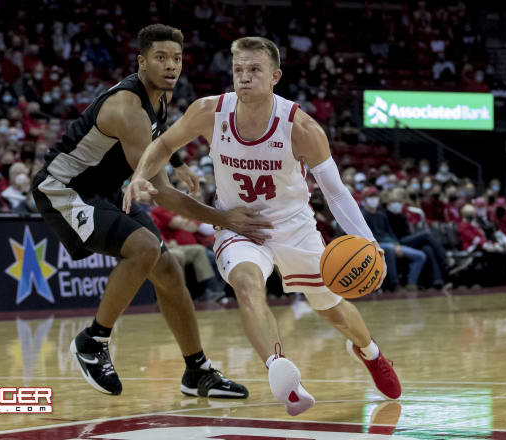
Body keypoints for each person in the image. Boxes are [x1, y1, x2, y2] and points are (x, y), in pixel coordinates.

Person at [125, 36, 401, 415]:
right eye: (238, 70)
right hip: (238, 223)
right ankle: (280, 371)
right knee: (246, 281)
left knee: (331, 308)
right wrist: (140, 175)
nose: (244, 78)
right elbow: (162, 145)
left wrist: (372, 243)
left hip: (293, 226)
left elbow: (336, 194)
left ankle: (370, 352)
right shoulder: (209, 111)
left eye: (254, 70)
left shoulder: (302, 127)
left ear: (275, 76)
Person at [32, 24, 267, 399]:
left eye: (176, 58)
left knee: (170, 271)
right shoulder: (126, 107)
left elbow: (155, 137)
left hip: (105, 190)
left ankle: (198, 371)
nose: (171, 65)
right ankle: (93, 340)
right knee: (143, 248)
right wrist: (224, 219)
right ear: (142, 62)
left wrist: (176, 162)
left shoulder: (156, 96)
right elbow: (164, 197)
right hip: (64, 190)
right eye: (161, 58)